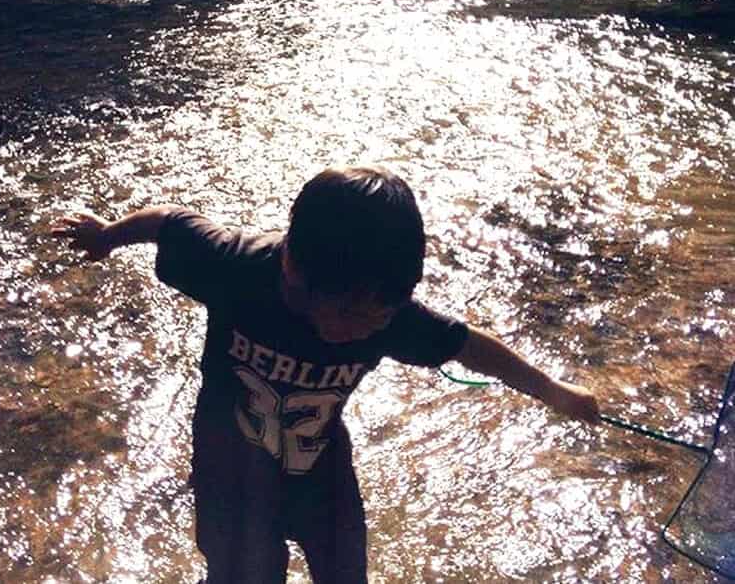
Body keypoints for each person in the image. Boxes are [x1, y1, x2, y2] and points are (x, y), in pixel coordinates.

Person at [51, 166, 600, 584]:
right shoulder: (236, 266)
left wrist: (553, 391)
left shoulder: (385, 313)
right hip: (231, 467)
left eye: (379, 318)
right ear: (293, 267)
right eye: (347, 315)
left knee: (343, 571)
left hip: (319, 465)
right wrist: (107, 236)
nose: (362, 331)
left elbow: (469, 347)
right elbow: (169, 222)